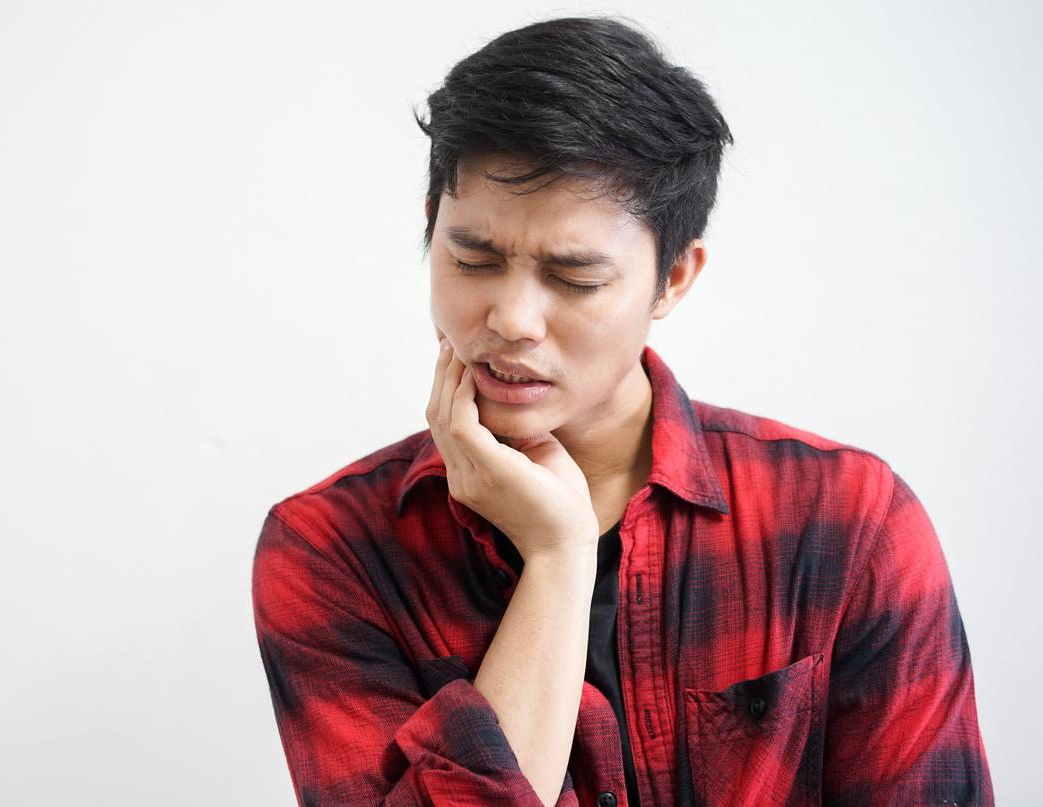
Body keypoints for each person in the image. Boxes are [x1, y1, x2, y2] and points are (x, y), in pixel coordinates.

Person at [250, 14, 993, 807]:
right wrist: (560, 559)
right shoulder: (333, 549)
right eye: (473, 258)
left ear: (674, 278)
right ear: (430, 228)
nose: (511, 319)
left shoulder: (848, 520)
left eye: (574, 278)